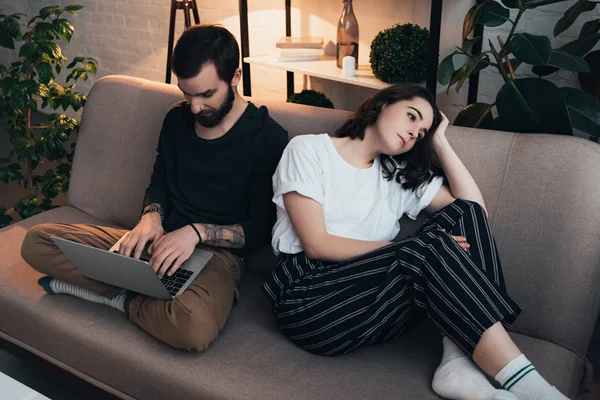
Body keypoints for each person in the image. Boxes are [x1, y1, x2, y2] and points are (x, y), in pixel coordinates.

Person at [263, 84, 569, 400]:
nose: (413, 133)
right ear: (381, 103)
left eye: (420, 133)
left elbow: (473, 212)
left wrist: (441, 142)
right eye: (411, 117)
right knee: (428, 245)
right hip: (310, 300)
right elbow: (318, 244)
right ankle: (537, 392)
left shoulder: (398, 173)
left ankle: (459, 361)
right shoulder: (309, 150)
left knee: (463, 214)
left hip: (373, 304)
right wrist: (413, 250)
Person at [20, 24, 288, 351]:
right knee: (37, 242)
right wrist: (151, 216)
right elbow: (159, 180)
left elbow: (261, 228)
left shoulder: (268, 138)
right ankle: (139, 289)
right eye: (186, 93)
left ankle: (119, 300)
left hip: (218, 257)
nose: (194, 107)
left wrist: (196, 233)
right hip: (154, 241)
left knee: (192, 327)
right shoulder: (177, 120)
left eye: (206, 94)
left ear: (235, 76)